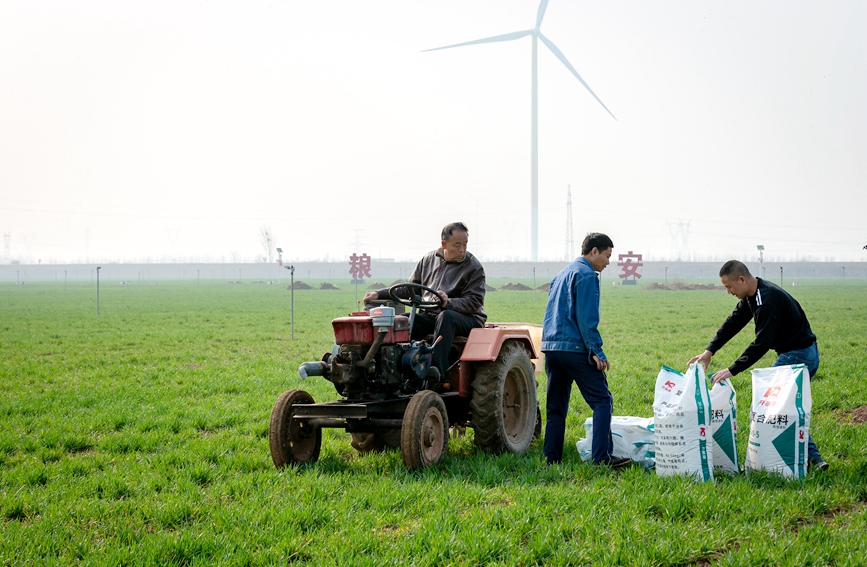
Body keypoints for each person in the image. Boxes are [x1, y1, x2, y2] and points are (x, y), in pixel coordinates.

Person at [688, 259, 828, 470]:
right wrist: (710, 351)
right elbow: (733, 322)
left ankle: (785, 461)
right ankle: (813, 460)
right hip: (796, 354)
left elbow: (763, 342)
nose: (728, 291)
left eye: (728, 286)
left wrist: (732, 369)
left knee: (769, 404)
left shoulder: (767, 299)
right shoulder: (753, 295)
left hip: (798, 356)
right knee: (782, 409)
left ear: (742, 279)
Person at [541, 232, 630, 468]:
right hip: (574, 348)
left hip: (551, 348)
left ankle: (551, 459)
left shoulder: (561, 274)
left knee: (556, 408)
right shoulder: (587, 275)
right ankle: (602, 458)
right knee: (602, 400)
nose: (608, 262)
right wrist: (596, 351)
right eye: (607, 256)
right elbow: (586, 317)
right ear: (594, 252)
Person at [363, 222, 486, 379]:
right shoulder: (428, 260)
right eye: (457, 245)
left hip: (467, 318)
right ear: (444, 244)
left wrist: (448, 302)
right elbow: (411, 289)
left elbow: (474, 302)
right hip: (432, 315)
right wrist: (379, 294)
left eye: (465, 245)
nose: (462, 250)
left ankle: (436, 373)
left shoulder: (474, 267)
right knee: (402, 321)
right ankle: (389, 372)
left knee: (446, 316)